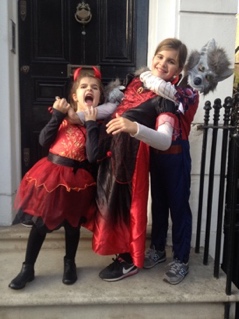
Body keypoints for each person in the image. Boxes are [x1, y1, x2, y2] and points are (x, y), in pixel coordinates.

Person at [90, 38, 199, 283]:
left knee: (178, 206)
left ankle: (181, 259)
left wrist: (134, 124)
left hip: (175, 154)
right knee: (158, 204)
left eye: (171, 61)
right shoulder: (145, 85)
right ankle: (158, 249)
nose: (162, 63)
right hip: (153, 155)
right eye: (160, 57)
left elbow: (167, 134)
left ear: (179, 69)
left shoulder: (185, 92)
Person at [8, 67, 104, 289]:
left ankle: (69, 263)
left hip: (76, 181)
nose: (89, 89)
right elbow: (44, 141)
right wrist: (58, 116)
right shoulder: (62, 115)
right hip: (50, 178)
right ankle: (27, 268)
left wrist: (90, 124)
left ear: (99, 97)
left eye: (95, 88)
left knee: (72, 226)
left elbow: (91, 155)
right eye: (84, 87)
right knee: (40, 224)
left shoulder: (97, 126)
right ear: (74, 95)